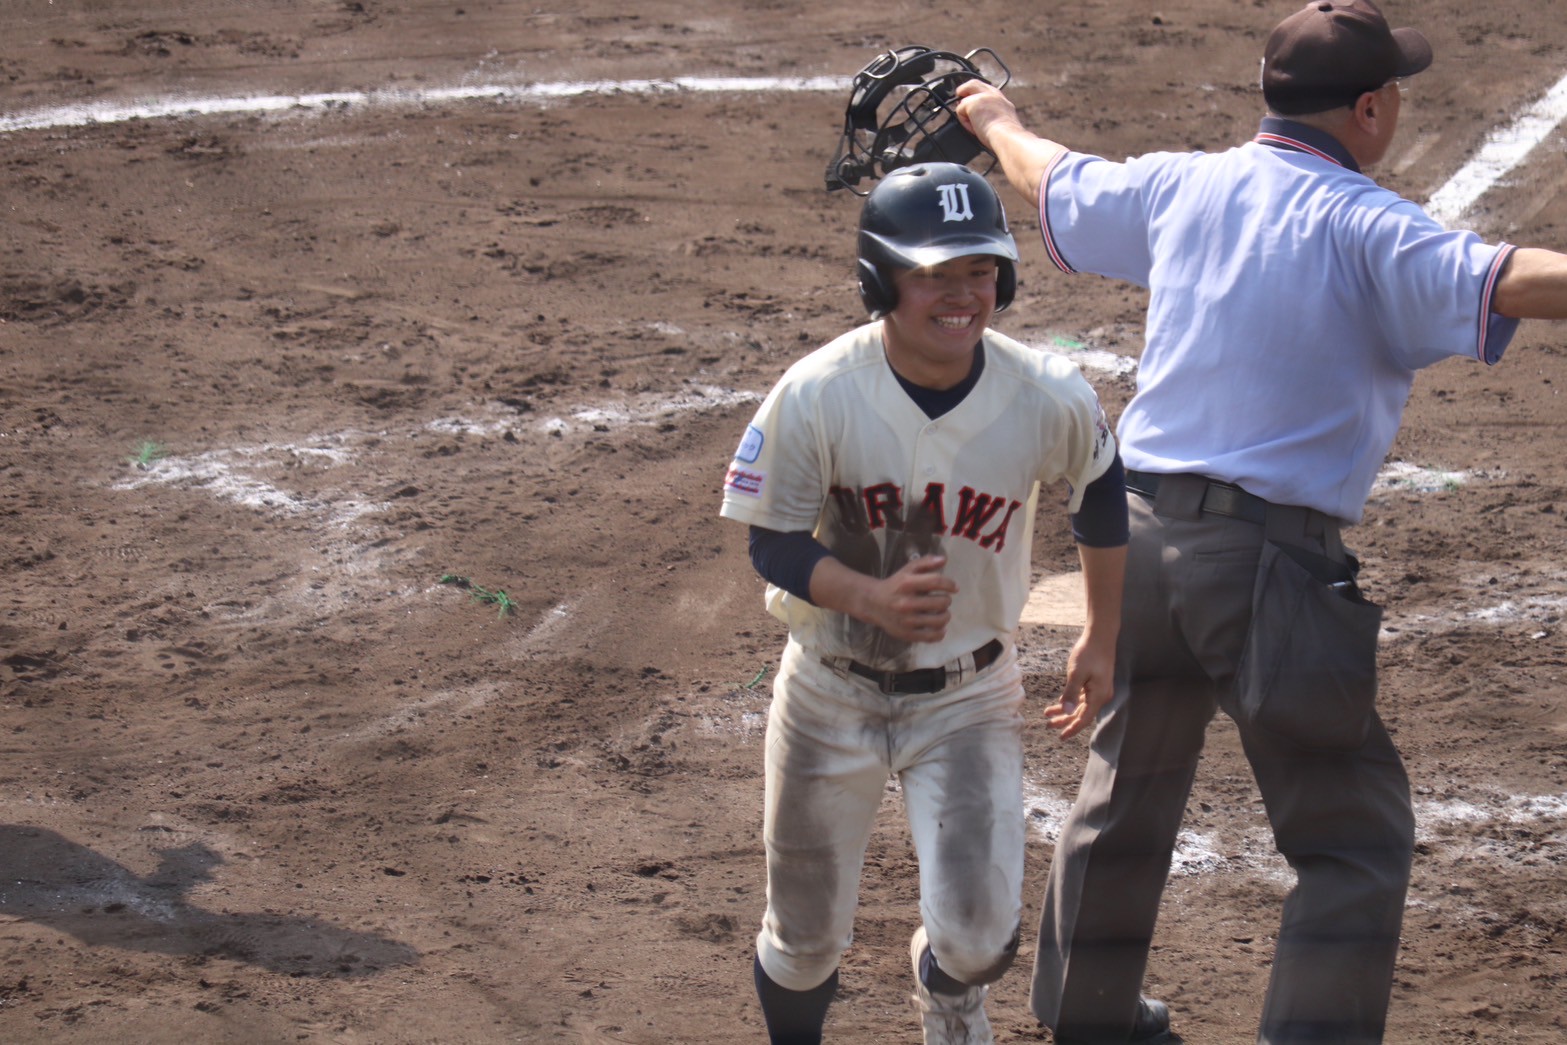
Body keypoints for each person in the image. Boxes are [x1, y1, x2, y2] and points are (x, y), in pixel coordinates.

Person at [952, 1, 1567, 1042]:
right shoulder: (1370, 226)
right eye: (1394, 90)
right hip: (1267, 571)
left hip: (1137, 543)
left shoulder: (1182, 184)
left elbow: (1053, 177)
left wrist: (992, 119)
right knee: (1351, 839)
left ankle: (1087, 1019)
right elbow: (1509, 279)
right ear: (1367, 110)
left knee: (1126, 788)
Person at [719, 161, 1129, 1045]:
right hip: (828, 691)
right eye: (932, 274)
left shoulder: (1044, 394)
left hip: (968, 698)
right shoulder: (819, 391)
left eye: (979, 270)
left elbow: (1100, 487)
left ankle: (946, 994)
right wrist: (867, 595)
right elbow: (771, 540)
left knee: (978, 942)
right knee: (802, 942)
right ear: (880, 280)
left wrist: (1101, 631)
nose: (961, 295)